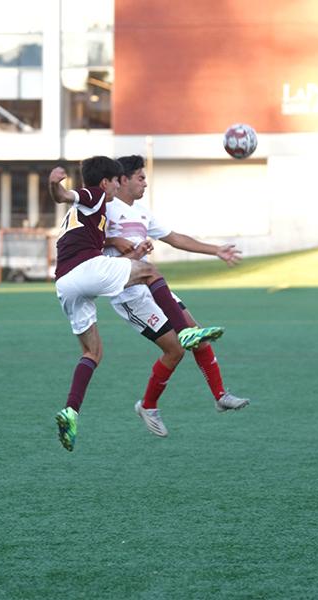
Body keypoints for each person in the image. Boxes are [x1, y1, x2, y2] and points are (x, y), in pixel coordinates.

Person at [49, 156, 225, 451]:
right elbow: (64, 196)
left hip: (64, 283)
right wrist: (55, 184)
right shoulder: (95, 195)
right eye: (115, 181)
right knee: (150, 270)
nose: (118, 186)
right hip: (87, 270)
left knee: (92, 352)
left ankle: (71, 411)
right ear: (106, 182)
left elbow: (90, 239)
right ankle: (186, 332)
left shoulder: (92, 212)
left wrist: (123, 248)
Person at [103, 155, 250, 436]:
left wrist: (215, 250)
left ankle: (220, 396)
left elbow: (176, 238)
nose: (145, 183)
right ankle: (148, 405)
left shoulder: (143, 213)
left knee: (196, 334)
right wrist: (114, 242)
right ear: (122, 180)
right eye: (140, 178)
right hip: (130, 294)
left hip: (154, 284)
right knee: (175, 349)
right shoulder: (107, 209)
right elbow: (89, 238)